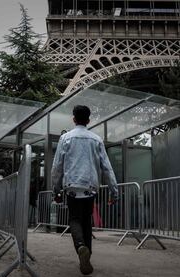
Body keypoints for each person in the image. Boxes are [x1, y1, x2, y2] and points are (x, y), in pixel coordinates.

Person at [51, 105, 118, 275]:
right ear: (88, 120)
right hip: (90, 187)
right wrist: (114, 191)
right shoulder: (96, 139)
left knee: (74, 219)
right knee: (87, 220)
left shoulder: (65, 138)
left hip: (72, 186)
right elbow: (107, 168)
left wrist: (56, 190)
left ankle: (80, 246)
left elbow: (57, 166)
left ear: (74, 119)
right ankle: (87, 253)